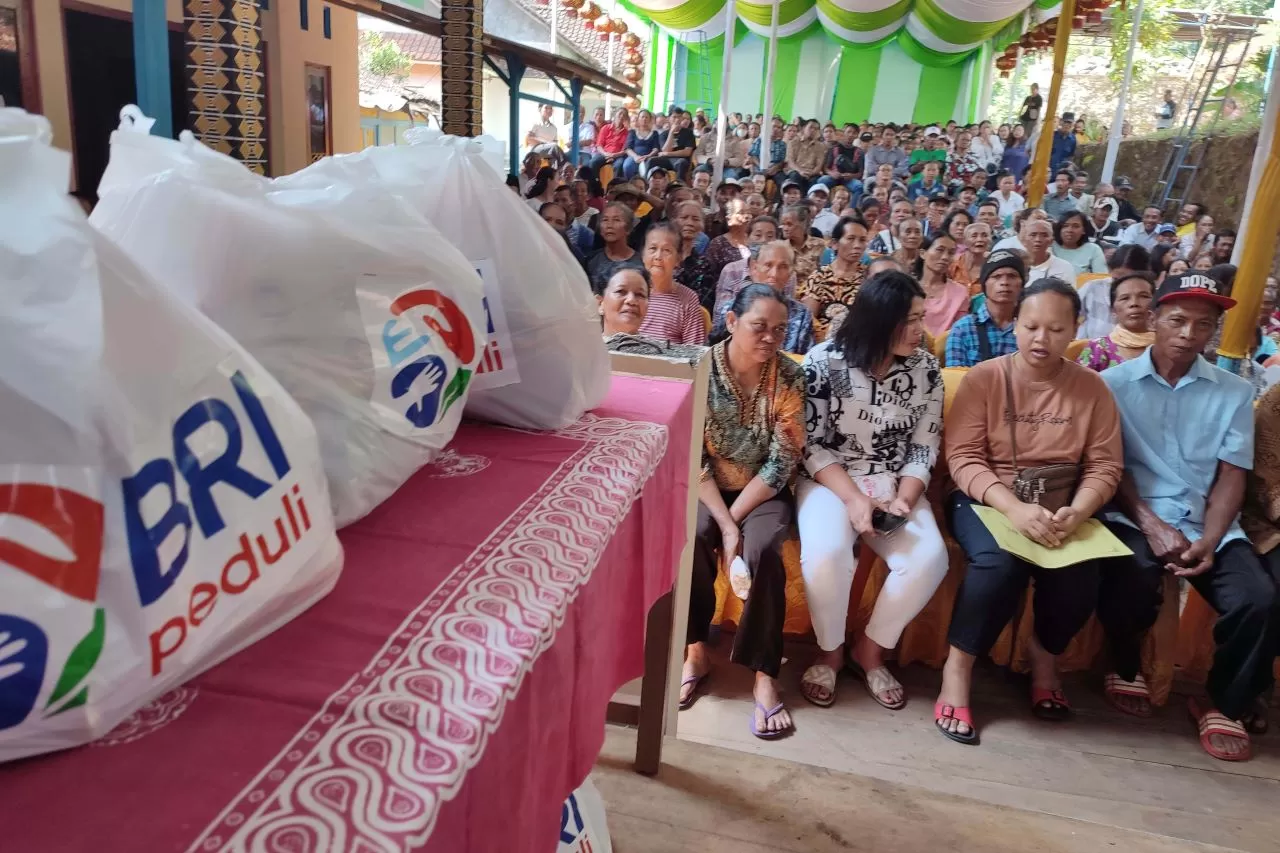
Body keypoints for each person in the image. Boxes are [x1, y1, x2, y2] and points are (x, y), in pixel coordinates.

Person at [936, 277, 1123, 744]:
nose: (1042, 339)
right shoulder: (986, 378)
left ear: (1075, 330)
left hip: (1063, 504)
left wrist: (1078, 512)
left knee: (1082, 573)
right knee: (997, 564)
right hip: (988, 497)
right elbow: (963, 459)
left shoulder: (1092, 389)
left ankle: (1044, 656)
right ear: (1015, 324)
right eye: (1032, 326)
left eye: (1056, 330)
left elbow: (1104, 465)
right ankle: (958, 668)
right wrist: (1015, 510)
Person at [1098, 272, 1276, 761]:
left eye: (1203, 325)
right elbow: (1111, 468)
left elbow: (1232, 477)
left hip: (1206, 523)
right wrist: (1152, 525)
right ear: (1153, 319)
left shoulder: (1234, 393)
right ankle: (1125, 662)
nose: (1187, 334)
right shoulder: (1111, 386)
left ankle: (1222, 699)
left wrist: (1212, 539)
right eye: (1177, 320)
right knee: (1131, 571)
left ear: (1214, 332)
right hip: (1134, 514)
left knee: (1257, 599)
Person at [796, 271, 947, 710]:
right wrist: (853, 499)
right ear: (880, 320)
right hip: (831, 479)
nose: (921, 330)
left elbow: (924, 444)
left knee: (929, 558)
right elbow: (813, 445)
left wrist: (903, 498)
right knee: (826, 555)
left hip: (893, 481)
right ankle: (830, 650)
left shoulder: (926, 371)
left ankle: (871, 649)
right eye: (911, 320)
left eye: (923, 318)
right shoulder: (824, 362)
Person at [682, 284, 804, 739]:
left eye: (779, 330)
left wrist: (735, 525)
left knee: (764, 548)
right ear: (731, 322)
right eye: (759, 326)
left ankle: (764, 674)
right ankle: (696, 651)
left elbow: (783, 458)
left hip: (763, 491)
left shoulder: (790, 377)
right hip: (706, 488)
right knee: (691, 536)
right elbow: (690, 452)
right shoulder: (697, 368)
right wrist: (723, 522)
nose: (770, 338)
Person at [711, 241, 813, 354]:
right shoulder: (731, 308)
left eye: (783, 267)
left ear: (790, 273)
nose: (774, 274)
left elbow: (804, 361)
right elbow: (716, 352)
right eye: (768, 265)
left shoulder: (801, 314)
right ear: (754, 268)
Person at [945, 250, 1025, 367]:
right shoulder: (963, 329)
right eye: (996, 276)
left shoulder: (1031, 328)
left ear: (1022, 283)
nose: (1004, 282)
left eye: (1012, 276)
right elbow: (955, 380)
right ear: (984, 284)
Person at [798, 214, 868, 343]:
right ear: (835, 244)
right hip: (820, 344)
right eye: (851, 239)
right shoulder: (819, 277)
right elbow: (808, 320)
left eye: (862, 240)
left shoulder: (868, 279)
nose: (857, 245)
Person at [634, 223, 706, 345]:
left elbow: (695, 352)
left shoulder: (688, 299)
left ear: (678, 258)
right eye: (652, 248)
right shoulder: (629, 292)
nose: (658, 256)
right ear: (642, 254)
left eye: (666, 250)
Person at [1076, 272, 1156, 372]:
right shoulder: (1098, 348)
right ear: (1113, 310)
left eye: (1144, 296)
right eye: (1124, 298)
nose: (1134, 303)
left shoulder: (1168, 346)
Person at [713, 215, 790, 319]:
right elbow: (721, 314)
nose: (764, 240)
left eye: (770, 236)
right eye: (758, 235)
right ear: (746, 239)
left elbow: (790, 311)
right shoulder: (731, 270)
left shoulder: (786, 273)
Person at [1076, 243, 1149, 340]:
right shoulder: (1093, 287)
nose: (1119, 285)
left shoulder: (1147, 296)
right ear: (1110, 270)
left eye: (1126, 280)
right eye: (1115, 279)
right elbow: (1068, 313)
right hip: (1089, 348)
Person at [586, 202, 645, 293]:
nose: (609, 225)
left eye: (616, 220)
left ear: (628, 228)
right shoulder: (590, 261)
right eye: (605, 220)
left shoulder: (642, 262)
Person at [917, 233, 968, 336]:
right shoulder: (906, 288)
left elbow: (961, 330)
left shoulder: (960, 292)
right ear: (923, 253)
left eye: (951, 253)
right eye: (940, 250)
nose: (945, 257)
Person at [704, 197, 752, 280]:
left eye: (748, 212)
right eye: (741, 212)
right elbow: (709, 274)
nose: (747, 216)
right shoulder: (718, 244)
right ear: (728, 219)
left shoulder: (754, 241)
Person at [598, 267, 651, 338]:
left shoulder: (662, 348)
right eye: (620, 291)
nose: (631, 300)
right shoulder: (583, 348)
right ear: (600, 303)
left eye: (640, 294)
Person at [780, 204, 826, 285]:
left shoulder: (820, 245)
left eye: (789, 224)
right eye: (783, 224)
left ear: (802, 224)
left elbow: (826, 273)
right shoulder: (780, 248)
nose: (785, 228)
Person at [1052, 211, 1107, 276]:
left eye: (1076, 226)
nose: (1069, 230)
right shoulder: (1050, 246)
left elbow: (1102, 279)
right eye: (1065, 226)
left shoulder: (1093, 249)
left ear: (1084, 230)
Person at [1023, 218, 1078, 283]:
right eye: (1033, 235)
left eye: (1044, 235)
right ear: (1024, 240)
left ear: (1051, 241)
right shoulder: (1015, 266)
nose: (1038, 239)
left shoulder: (1064, 267)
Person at [781, 118, 827, 190]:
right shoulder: (793, 143)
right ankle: (797, 199)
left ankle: (809, 200)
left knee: (814, 181)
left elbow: (819, 165)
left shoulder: (821, 146)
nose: (813, 130)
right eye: (811, 127)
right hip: (796, 170)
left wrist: (811, 173)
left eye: (816, 129)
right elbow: (790, 161)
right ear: (803, 128)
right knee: (795, 176)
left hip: (812, 173)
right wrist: (800, 171)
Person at [621, 109, 663, 180]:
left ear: (650, 120)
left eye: (646, 117)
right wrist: (635, 157)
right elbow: (628, 148)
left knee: (650, 167)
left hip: (649, 157)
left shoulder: (654, 133)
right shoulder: (633, 132)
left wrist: (648, 156)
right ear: (638, 119)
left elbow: (656, 148)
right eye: (642, 117)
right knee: (627, 166)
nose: (644, 119)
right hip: (634, 157)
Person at [952, 221, 992, 293]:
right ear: (964, 241)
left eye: (985, 235)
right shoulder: (953, 263)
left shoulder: (995, 264)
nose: (979, 239)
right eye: (974, 236)